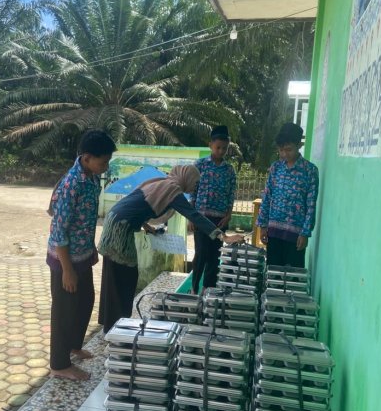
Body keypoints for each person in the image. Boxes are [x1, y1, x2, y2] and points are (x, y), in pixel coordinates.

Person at [97, 165, 244, 332]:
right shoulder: (172, 190)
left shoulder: (161, 183)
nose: (195, 187)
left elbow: (136, 202)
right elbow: (194, 215)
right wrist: (223, 236)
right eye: (195, 183)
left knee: (113, 273)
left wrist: (147, 226)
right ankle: (116, 327)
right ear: (187, 178)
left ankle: (109, 322)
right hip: (121, 228)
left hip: (114, 219)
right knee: (124, 276)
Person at [47, 129, 117, 381]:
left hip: (83, 253)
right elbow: (58, 231)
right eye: (103, 162)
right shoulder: (71, 184)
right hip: (65, 258)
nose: (106, 167)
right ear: (87, 158)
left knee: (86, 299)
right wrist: (67, 270)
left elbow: (85, 218)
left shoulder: (91, 178)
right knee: (64, 310)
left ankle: (73, 346)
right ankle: (59, 364)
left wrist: (89, 249)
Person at [256, 122, 319, 268]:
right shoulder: (275, 168)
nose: (284, 154)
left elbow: (311, 205)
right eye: (281, 150)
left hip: (296, 236)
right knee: (273, 274)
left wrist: (305, 233)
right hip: (274, 233)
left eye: (289, 150)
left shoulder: (310, 171)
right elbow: (267, 197)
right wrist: (263, 226)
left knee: (292, 276)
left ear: (299, 145)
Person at [189, 125, 236, 294]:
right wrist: (191, 217)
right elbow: (193, 191)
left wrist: (228, 215)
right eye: (218, 147)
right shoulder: (200, 165)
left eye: (224, 148)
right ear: (210, 145)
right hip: (201, 218)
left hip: (220, 220)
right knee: (201, 254)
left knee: (214, 256)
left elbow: (231, 194)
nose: (221, 151)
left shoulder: (229, 170)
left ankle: (208, 289)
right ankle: (194, 288)